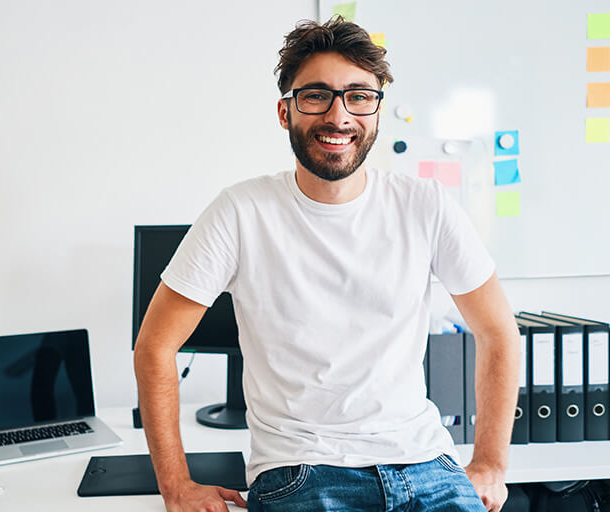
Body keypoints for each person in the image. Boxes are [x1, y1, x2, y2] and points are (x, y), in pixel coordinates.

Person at [133, 16, 520, 512]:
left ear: (376, 111)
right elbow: (155, 346)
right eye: (316, 95)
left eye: (359, 96)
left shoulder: (425, 205)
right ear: (284, 111)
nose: (339, 116)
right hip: (303, 473)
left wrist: (490, 462)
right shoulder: (240, 211)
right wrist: (176, 486)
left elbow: (497, 332)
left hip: (428, 466)